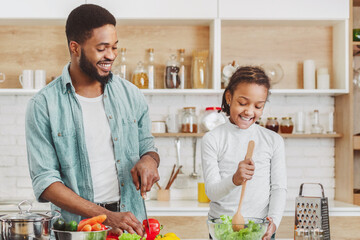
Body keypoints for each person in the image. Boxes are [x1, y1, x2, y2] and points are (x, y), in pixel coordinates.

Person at [25, 4, 159, 236]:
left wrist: (150, 160)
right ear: (75, 48)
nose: (111, 55)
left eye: (115, 47)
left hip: (130, 223)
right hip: (76, 229)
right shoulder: (43, 105)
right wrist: (106, 217)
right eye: (102, 48)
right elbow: (45, 182)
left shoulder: (131, 94)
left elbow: (147, 146)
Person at [201, 66, 287, 240]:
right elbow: (211, 192)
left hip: (260, 229)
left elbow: (278, 188)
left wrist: (274, 221)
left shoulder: (273, 140)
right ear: (229, 97)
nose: (249, 111)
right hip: (222, 230)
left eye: (258, 106)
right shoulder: (212, 139)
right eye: (242, 103)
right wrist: (235, 180)